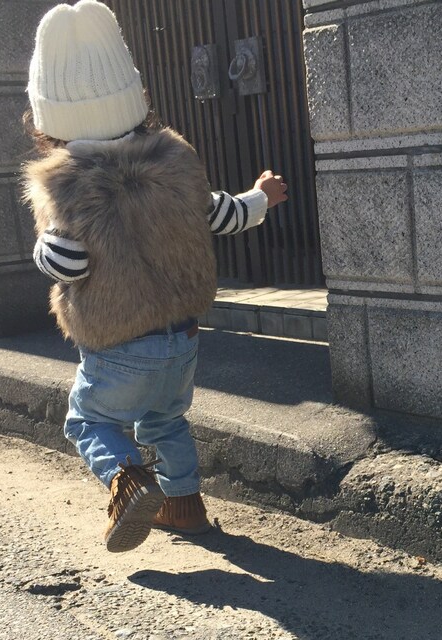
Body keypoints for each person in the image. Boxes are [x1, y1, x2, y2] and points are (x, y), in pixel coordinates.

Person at [22, 0, 287, 553]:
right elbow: (222, 213)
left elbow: (68, 264)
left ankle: (127, 479)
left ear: (46, 119)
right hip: (182, 338)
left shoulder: (65, 185)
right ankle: (184, 508)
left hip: (117, 345)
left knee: (88, 421)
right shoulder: (175, 163)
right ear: (136, 96)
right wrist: (261, 196)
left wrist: (45, 248)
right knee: (167, 422)